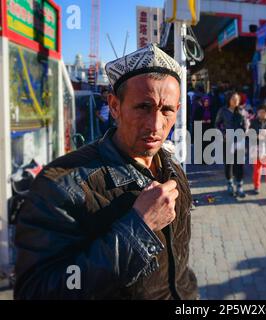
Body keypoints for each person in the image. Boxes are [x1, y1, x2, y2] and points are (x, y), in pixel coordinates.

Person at [14, 44, 198, 299]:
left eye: (166, 110)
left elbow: (178, 266)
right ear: (114, 106)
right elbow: (37, 291)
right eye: (143, 107)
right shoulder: (61, 184)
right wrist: (138, 229)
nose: (155, 124)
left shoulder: (172, 167)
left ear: (177, 111)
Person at [215, 91, 248, 198]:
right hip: (227, 141)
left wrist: (245, 130)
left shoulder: (242, 111)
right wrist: (222, 133)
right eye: (233, 98)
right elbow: (217, 124)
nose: (235, 101)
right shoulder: (223, 111)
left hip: (239, 141)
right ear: (229, 99)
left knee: (240, 165)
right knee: (229, 164)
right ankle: (230, 184)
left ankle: (239, 186)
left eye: (237, 99)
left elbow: (246, 125)